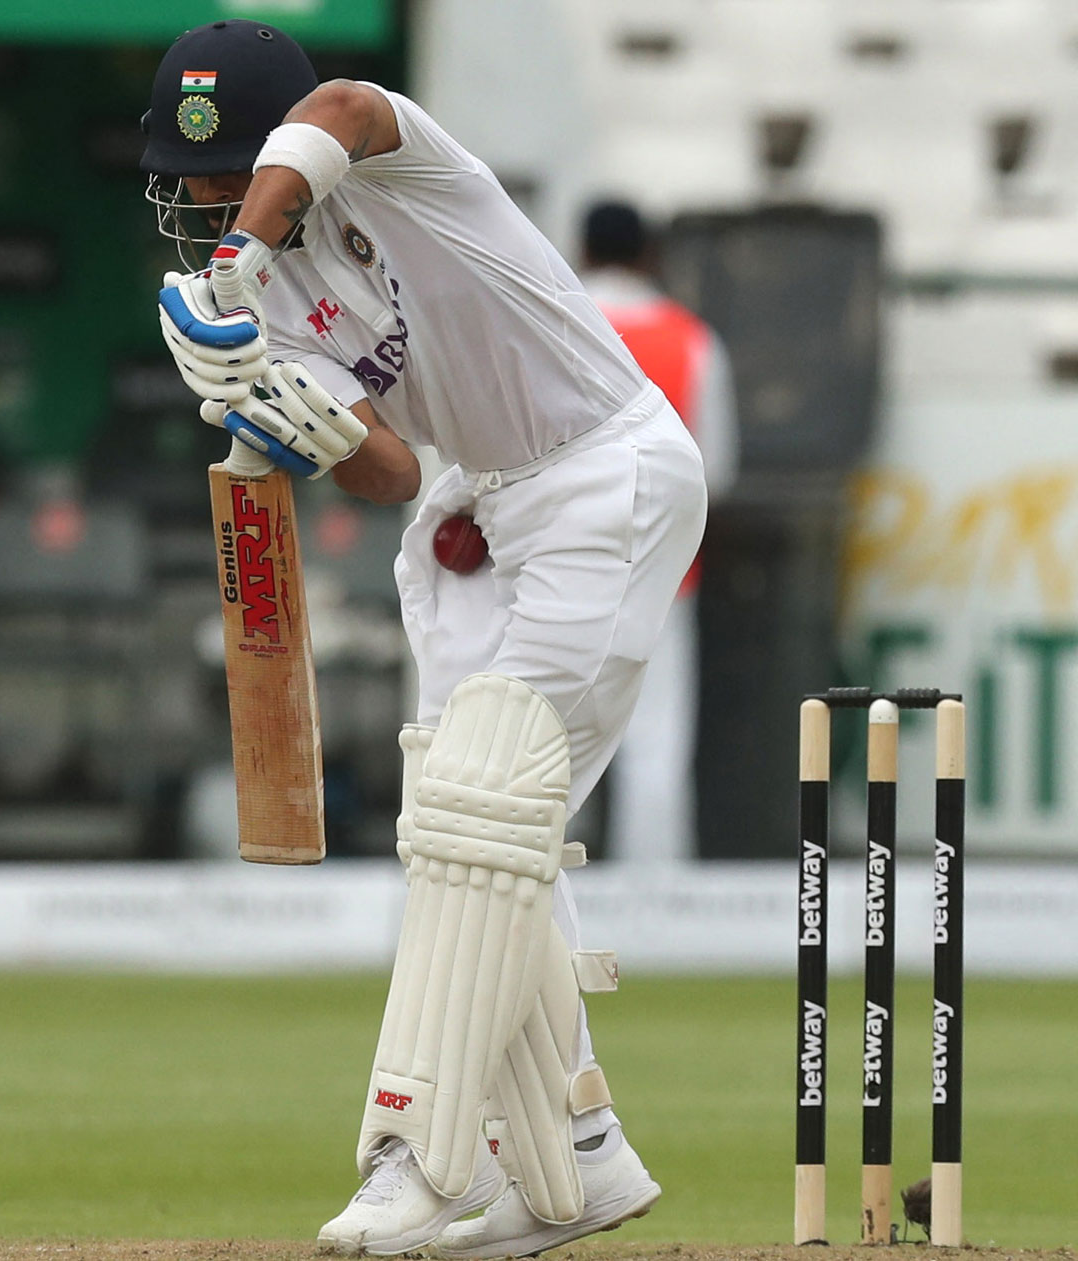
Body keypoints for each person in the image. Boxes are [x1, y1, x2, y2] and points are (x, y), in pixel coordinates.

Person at [141, 21, 707, 1257]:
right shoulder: (263, 310)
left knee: (482, 811)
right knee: (474, 834)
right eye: (194, 182)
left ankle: (418, 1150)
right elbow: (392, 471)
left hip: (605, 465)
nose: (204, 198)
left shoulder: (392, 157)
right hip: (474, 498)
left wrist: (242, 248)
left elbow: (343, 103)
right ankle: (580, 1157)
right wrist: (273, 407)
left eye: (231, 174)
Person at [578, 201, 740, 864]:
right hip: (660, 574)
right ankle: (655, 903)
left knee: (542, 737)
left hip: (554, 565)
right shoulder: (693, 340)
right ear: (650, 256)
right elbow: (717, 471)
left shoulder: (555, 322)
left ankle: (528, 896)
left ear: (580, 251)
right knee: (655, 743)